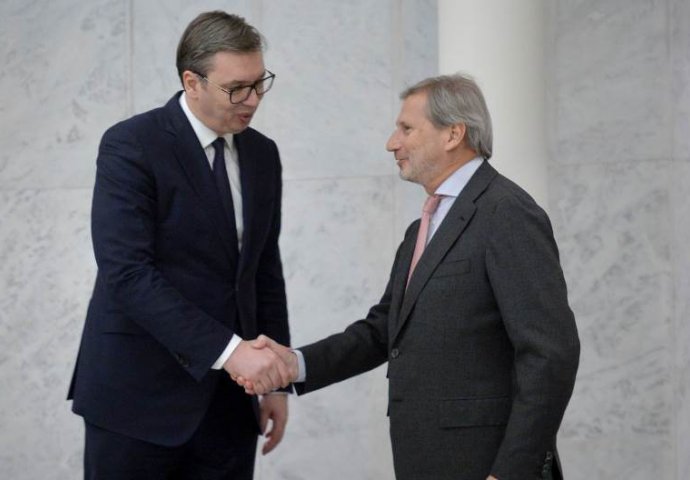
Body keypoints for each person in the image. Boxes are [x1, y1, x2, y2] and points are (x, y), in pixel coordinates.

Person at [239, 74, 580, 480]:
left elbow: (550, 354)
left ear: (453, 134)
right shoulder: (421, 229)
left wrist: (510, 473)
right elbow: (384, 330)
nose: (391, 143)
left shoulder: (507, 213)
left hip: (486, 465)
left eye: (406, 128)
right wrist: (295, 364)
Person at [67, 11, 293, 479]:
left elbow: (263, 270)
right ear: (192, 82)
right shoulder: (131, 144)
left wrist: (275, 380)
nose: (253, 100)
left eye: (259, 83)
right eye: (237, 88)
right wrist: (230, 351)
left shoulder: (262, 154)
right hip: (136, 399)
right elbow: (128, 274)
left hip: (231, 403)